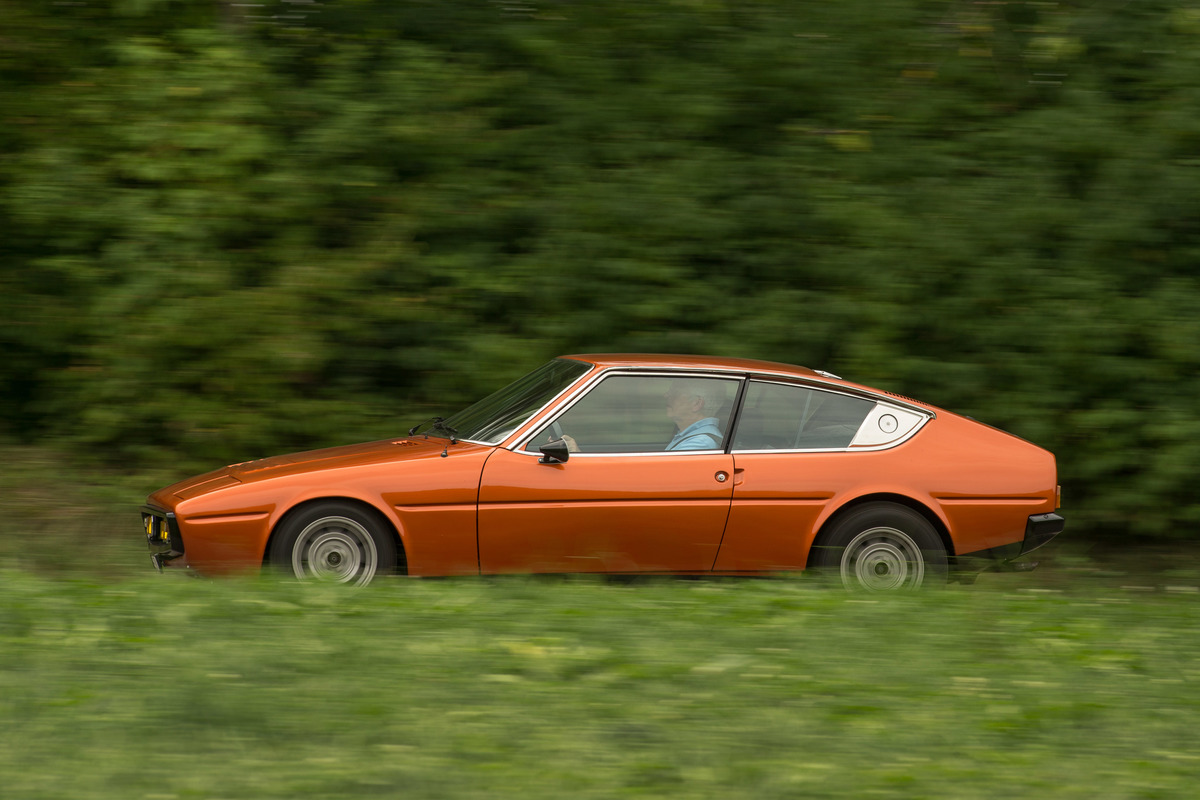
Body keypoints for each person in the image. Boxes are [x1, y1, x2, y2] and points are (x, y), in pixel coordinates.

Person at [663, 380, 725, 451]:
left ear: (696, 403)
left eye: (675, 393)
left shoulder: (700, 444)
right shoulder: (691, 434)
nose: (665, 395)